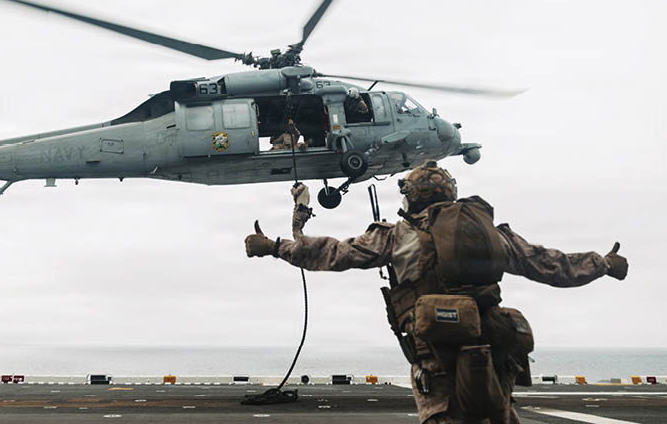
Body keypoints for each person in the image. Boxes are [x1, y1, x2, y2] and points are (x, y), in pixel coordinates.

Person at [244, 161, 628, 424]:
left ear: (411, 197)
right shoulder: (492, 233)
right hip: (496, 355)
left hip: (437, 361)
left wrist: (276, 246)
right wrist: (604, 264)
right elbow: (551, 265)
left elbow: (335, 254)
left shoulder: (400, 234)